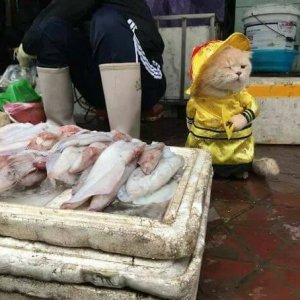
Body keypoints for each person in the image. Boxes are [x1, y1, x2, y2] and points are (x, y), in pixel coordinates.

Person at [16, 0, 166, 137]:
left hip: (146, 82)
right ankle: (59, 132)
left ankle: (124, 142)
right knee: (51, 30)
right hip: (101, 88)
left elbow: (61, 9)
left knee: (106, 21)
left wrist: (27, 44)